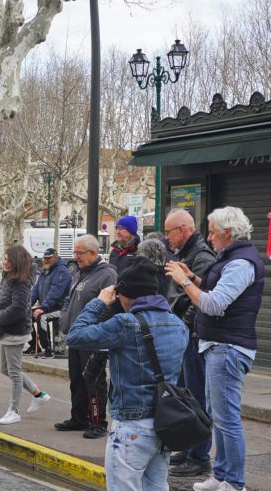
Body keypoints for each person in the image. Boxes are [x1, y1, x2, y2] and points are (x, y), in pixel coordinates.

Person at [66, 261, 188, 491]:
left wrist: (99, 302)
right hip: (164, 424)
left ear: (127, 295)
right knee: (156, 486)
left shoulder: (125, 323)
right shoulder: (178, 324)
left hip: (131, 425)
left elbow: (75, 335)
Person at [166, 206, 263, 491]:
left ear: (228, 233)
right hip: (219, 345)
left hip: (228, 347)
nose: (208, 238)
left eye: (212, 232)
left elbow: (213, 304)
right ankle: (221, 475)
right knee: (218, 416)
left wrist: (185, 282)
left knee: (226, 418)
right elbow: (211, 289)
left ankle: (234, 482)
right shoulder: (230, 258)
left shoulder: (240, 262)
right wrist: (193, 278)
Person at [163, 208, 219, 479]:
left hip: (193, 335)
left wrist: (183, 324)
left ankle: (199, 456)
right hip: (184, 333)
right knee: (184, 394)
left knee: (196, 396)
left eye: (169, 232)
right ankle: (188, 448)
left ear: (184, 229)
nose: (167, 238)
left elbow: (201, 298)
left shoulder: (201, 256)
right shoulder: (186, 254)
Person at [56, 234, 117, 439]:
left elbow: (110, 306)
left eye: (79, 253)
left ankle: (97, 422)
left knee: (93, 381)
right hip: (76, 337)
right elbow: (68, 299)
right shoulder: (80, 273)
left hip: (92, 338)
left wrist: (92, 328)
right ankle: (79, 417)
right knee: (77, 380)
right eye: (75, 252)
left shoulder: (107, 275)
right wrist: (65, 321)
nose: (76, 257)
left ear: (93, 252)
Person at [0, 244, 50, 425]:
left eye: (9, 259)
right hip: (6, 330)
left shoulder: (21, 281)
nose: (5, 262)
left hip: (14, 331)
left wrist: (0, 317)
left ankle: (14, 411)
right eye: (5, 258)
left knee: (14, 372)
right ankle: (38, 394)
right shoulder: (9, 277)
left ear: (17, 261)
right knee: (5, 369)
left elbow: (19, 307)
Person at [29, 247, 71, 356]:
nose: (46, 260)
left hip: (61, 307)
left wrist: (42, 307)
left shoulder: (62, 271)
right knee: (25, 315)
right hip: (47, 306)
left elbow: (56, 292)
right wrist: (27, 305)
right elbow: (36, 290)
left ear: (56, 257)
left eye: (49, 258)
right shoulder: (44, 270)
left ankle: (47, 349)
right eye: (45, 258)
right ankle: (34, 346)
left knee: (41, 316)